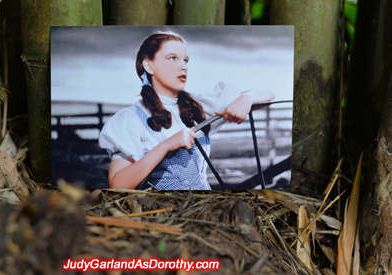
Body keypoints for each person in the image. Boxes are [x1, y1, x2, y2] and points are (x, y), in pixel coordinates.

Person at [99, 31, 275, 190]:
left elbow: (269, 94)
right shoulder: (132, 119)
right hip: (163, 213)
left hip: (204, 207)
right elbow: (117, 184)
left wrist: (247, 98)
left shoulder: (198, 104)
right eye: (172, 58)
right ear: (148, 66)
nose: (183, 66)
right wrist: (166, 146)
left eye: (185, 60)